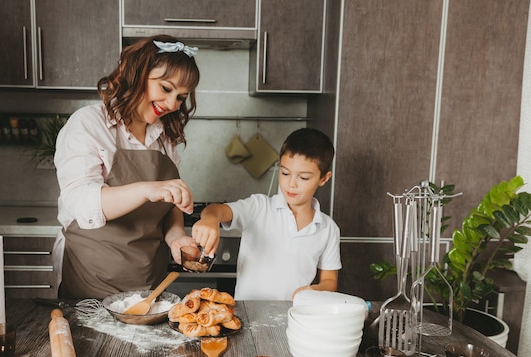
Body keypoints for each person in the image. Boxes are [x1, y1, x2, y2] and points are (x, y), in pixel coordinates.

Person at [53, 35, 200, 298]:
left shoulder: (164, 138)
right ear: (136, 73)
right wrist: (147, 189)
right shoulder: (89, 124)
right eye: (166, 88)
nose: (171, 105)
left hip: (148, 286)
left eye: (181, 97)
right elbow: (82, 203)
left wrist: (176, 236)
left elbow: (168, 208)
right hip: (91, 281)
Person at [192, 128, 341, 300]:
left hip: (295, 318)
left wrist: (314, 291)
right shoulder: (259, 207)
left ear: (323, 178)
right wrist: (210, 220)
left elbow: (329, 280)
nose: (291, 183)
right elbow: (216, 210)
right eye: (285, 173)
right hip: (248, 316)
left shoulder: (328, 228)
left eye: (304, 178)